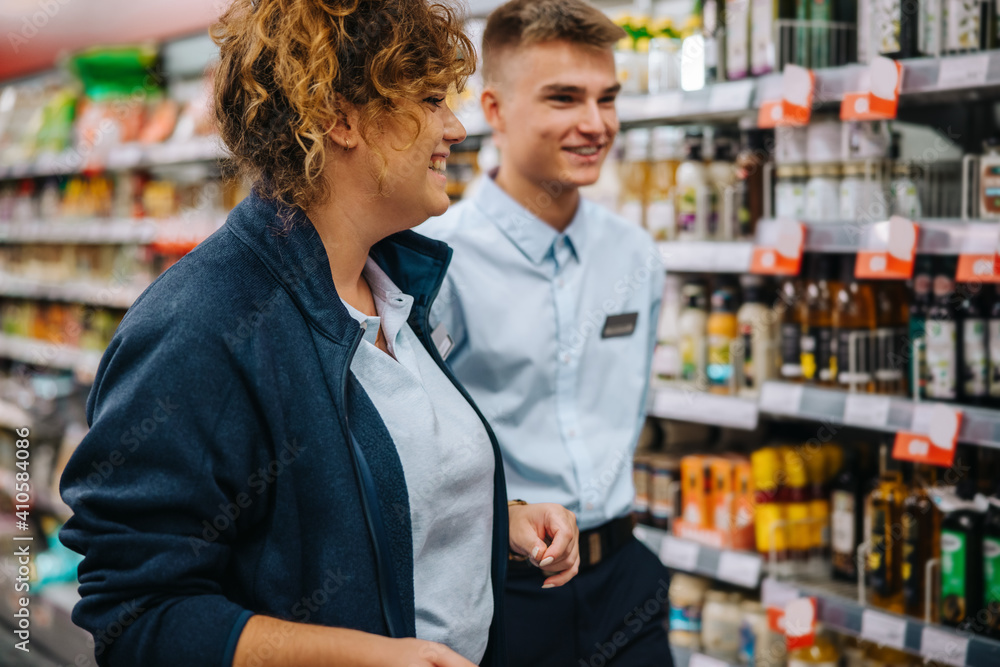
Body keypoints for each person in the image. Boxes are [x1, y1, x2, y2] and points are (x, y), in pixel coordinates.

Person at [57, 1, 580, 666]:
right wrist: (362, 657)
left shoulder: (393, 286)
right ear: (339, 117)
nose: (454, 126)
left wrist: (488, 516)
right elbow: (137, 614)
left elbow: (353, 491)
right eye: (428, 98)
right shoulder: (200, 325)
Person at [418, 1, 671, 665]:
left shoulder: (635, 256)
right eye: (564, 98)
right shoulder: (435, 259)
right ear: (494, 110)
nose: (595, 124)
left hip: (626, 577)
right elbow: (420, 443)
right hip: (503, 590)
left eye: (607, 99)